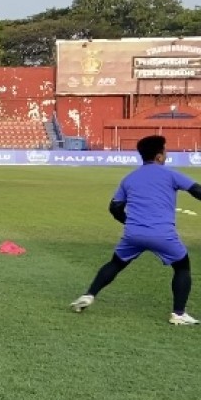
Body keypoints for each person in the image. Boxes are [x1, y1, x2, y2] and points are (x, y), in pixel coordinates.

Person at [70, 135, 200, 325]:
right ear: (159, 157)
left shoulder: (129, 178)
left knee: (115, 263)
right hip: (163, 235)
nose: (166, 153)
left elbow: (114, 208)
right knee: (182, 267)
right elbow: (196, 190)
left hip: (133, 234)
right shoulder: (170, 174)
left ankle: (89, 295)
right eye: (165, 150)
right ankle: (178, 314)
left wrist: (130, 222)